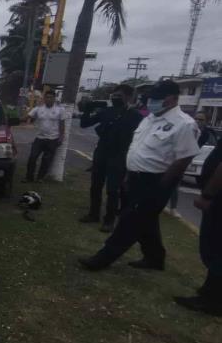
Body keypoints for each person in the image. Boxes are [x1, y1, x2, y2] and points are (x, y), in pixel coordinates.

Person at [79, 80, 200, 272]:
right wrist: (129, 175)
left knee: (129, 221)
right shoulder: (150, 118)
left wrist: (162, 185)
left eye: (157, 98)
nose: (151, 101)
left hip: (156, 180)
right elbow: (137, 148)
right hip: (135, 176)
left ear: (171, 99)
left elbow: (184, 158)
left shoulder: (184, 124)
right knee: (146, 221)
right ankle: (155, 258)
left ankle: (101, 259)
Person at [78, 85, 143, 232]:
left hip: (119, 156)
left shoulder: (135, 116)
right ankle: (93, 214)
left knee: (112, 190)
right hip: (101, 153)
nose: (115, 98)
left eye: (118, 95)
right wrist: (88, 109)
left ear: (128, 97)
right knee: (95, 186)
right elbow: (84, 124)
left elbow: (139, 139)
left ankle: (109, 220)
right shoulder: (107, 111)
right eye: (113, 95)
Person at [174, 136, 222, 315]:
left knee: (215, 247)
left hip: (217, 200)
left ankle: (212, 301)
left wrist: (207, 195)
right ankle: (210, 291)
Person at [166, 111, 216, 216]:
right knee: (171, 182)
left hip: (193, 161)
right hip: (176, 160)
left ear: (206, 122)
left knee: (175, 183)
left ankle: (173, 208)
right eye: (196, 118)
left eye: (201, 120)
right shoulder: (186, 129)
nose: (197, 121)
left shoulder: (207, 134)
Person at [24, 90, 65, 183]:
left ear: (54, 98)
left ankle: (40, 178)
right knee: (32, 157)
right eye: (47, 97)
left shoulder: (60, 110)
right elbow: (28, 116)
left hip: (53, 139)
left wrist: (61, 137)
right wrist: (16, 120)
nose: (49, 99)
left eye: (51, 97)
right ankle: (29, 177)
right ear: (44, 98)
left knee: (46, 160)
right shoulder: (39, 109)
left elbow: (62, 125)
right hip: (39, 138)